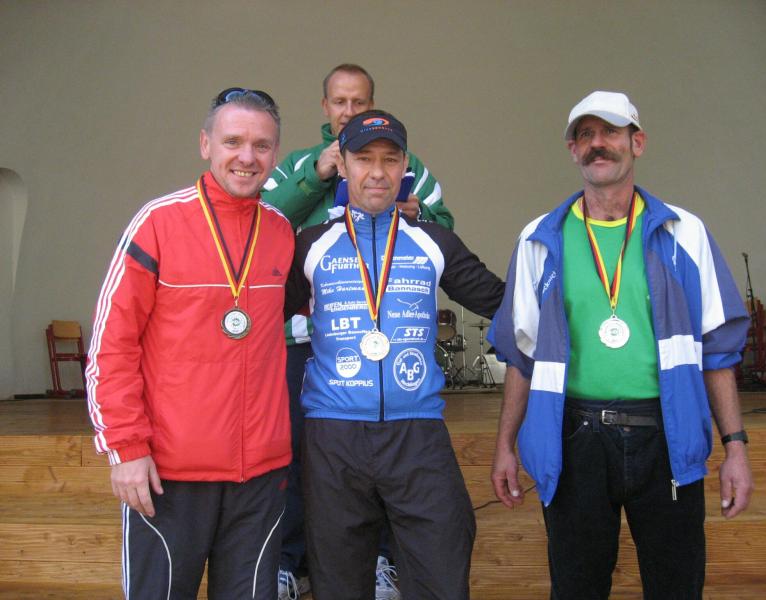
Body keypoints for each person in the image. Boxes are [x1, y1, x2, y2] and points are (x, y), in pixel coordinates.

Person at [489, 90, 754, 599]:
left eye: (610, 131)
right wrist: (504, 445)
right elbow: (522, 356)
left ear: (638, 142)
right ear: (572, 150)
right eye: (585, 134)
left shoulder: (684, 232)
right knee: (576, 589)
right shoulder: (539, 239)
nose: (598, 144)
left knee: (676, 588)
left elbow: (717, 352)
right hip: (576, 439)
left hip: (668, 436)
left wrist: (735, 447)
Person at [283, 109, 504, 600]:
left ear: (405, 165)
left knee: (442, 572)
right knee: (339, 583)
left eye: (389, 159)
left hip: (417, 433)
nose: (377, 172)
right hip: (333, 436)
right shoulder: (310, 245)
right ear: (342, 165)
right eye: (364, 158)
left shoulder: (433, 241)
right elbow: (257, 315)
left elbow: (503, 302)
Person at [85, 88, 294, 599]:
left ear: (275, 155)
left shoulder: (281, 232)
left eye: (262, 145)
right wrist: (126, 448)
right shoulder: (158, 222)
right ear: (205, 144)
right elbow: (111, 345)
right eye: (233, 141)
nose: (247, 157)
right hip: (168, 474)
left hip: (260, 477)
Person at [261, 63, 454, 600]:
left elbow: (445, 231)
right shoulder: (299, 164)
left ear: (372, 103)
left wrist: (414, 210)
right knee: (296, 453)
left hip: (383, 342)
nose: (349, 111)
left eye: (359, 101)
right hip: (300, 340)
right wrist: (316, 176)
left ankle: (384, 562)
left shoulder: (406, 163)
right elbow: (262, 220)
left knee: (389, 459)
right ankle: (290, 561)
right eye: (340, 102)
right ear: (325, 108)